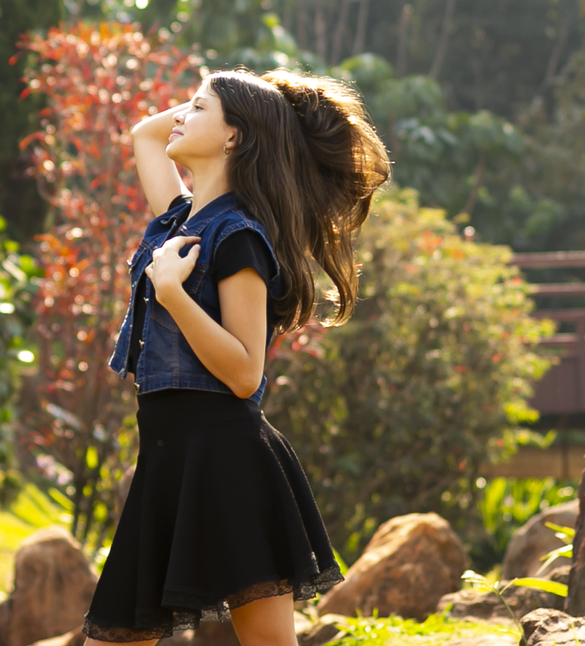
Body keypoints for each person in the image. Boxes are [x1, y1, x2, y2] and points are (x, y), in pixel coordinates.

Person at [82, 69, 391, 645]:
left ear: (234, 137)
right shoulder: (178, 219)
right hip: (167, 461)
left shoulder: (238, 236)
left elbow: (247, 372)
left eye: (197, 108)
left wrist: (173, 293)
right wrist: (249, 98)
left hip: (227, 460)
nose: (180, 115)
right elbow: (145, 134)